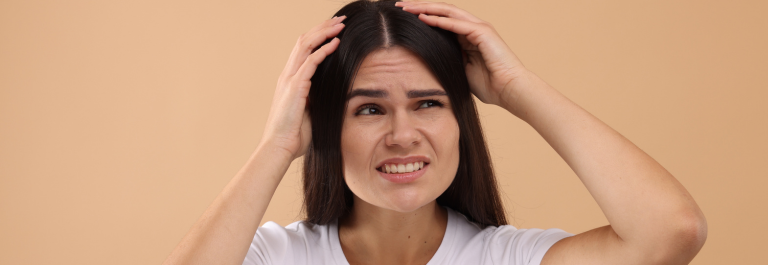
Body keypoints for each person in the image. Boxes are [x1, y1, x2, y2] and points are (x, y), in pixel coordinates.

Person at [163, 0, 707, 264]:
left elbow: (672, 230)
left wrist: (516, 86)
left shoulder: (506, 259)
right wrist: (278, 144)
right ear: (327, 125)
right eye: (369, 110)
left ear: (459, 122)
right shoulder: (275, 255)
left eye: (427, 103)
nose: (403, 135)